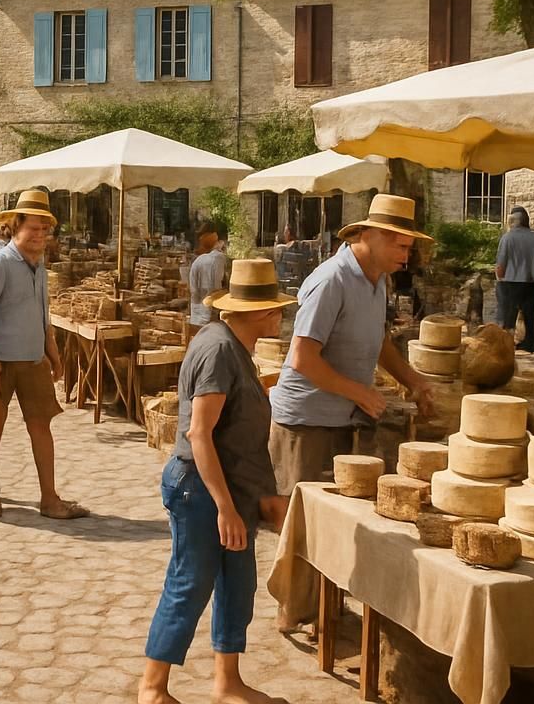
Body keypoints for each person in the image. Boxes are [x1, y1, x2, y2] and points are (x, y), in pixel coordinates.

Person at [141, 259, 293, 704]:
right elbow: (198, 434)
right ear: (261, 313)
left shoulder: (231, 345)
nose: (281, 316)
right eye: (276, 309)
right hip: (201, 489)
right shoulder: (220, 349)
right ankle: (152, 689)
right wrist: (224, 507)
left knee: (237, 583)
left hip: (230, 487)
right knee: (189, 583)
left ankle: (227, 684)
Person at [269, 194, 437, 495]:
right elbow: (302, 358)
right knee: (300, 524)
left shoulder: (378, 281)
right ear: (370, 236)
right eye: (401, 246)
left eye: (409, 248)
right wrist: (359, 392)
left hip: (340, 420)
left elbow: (378, 339)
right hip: (306, 425)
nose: (407, 256)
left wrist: (413, 381)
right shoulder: (332, 280)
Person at [0, 189, 87, 521]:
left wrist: (52, 352)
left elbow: (42, 313)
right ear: (15, 225)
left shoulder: (39, 264)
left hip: (33, 361)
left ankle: (49, 499)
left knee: (41, 427)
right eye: (33, 228)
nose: (39, 235)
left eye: (44, 229)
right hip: (0, 361)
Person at [496, 205, 534, 353]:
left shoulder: (507, 238)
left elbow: (501, 265)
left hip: (510, 283)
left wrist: (500, 278)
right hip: (530, 284)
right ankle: (530, 343)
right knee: (530, 316)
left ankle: (506, 344)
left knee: (509, 317)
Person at [188, 223, 230, 326]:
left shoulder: (198, 260)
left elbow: (193, 290)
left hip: (196, 318)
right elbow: (216, 290)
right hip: (211, 319)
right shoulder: (218, 259)